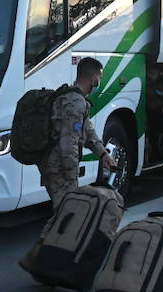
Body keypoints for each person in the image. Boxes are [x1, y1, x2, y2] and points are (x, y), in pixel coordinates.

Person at [38, 57, 118, 206]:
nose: (99, 82)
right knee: (68, 211)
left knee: (66, 210)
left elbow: (88, 132)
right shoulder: (75, 103)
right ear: (93, 78)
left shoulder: (74, 98)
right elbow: (69, 143)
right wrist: (71, 177)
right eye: (99, 78)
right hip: (59, 168)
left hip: (55, 164)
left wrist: (103, 155)